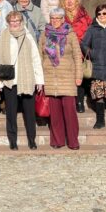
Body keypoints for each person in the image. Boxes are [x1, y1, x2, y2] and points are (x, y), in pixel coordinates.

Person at [0, 11, 44, 150]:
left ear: (21, 22)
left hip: (27, 78)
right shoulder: (3, 37)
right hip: (10, 80)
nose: (15, 23)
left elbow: (35, 59)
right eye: (12, 21)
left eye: (17, 21)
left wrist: (39, 80)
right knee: (11, 112)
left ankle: (31, 140)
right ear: (8, 23)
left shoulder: (28, 36)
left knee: (29, 112)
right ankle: (13, 140)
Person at [40, 8, 83, 150]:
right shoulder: (44, 34)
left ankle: (73, 141)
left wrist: (78, 76)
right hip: (50, 77)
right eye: (53, 18)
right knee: (55, 114)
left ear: (63, 19)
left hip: (68, 77)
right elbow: (40, 57)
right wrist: (40, 79)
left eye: (58, 18)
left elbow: (77, 56)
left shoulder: (70, 35)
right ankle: (58, 141)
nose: (55, 21)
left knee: (70, 113)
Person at [61, 0, 93, 113]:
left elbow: (90, 29)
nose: (69, 1)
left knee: (81, 76)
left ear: (76, 1)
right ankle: (71, 102)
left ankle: (80, 102)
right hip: (67, 50)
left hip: (81, 49)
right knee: (69, 77)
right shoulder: (60, 14)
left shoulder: (83, 14)